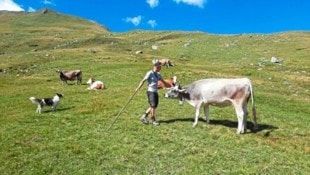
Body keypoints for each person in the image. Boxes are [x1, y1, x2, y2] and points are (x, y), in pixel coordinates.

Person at [135, 59, 169, 125]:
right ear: (156, 67)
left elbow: (164, 82)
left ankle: (144, 116)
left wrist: (172, 87)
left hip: (155, 92)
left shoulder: (158, 74)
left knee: (154, 106)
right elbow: (143, 80)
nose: (160, 68)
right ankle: (153, 121)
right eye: (159, 67)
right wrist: (138, 88)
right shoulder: (150, 73)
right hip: (151, 91)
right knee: (153, 106)